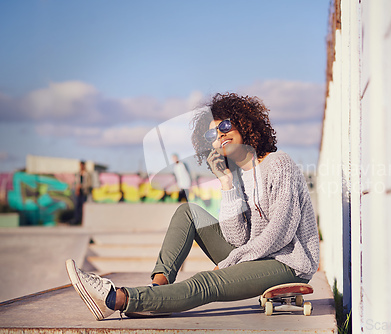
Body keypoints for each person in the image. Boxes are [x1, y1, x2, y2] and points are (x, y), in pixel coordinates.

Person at [65, 93, 320, 320]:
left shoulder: (278, 164)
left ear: (245, 124)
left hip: (288, 264)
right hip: (255, 256)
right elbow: (237, 237)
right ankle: (158, 289)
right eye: (212, 134)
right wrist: (226, 184)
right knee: (188, 212)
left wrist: (234, 259)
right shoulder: (239, 176)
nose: (220, 135)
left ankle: (115, 299)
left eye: (226, 125)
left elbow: (281, 231)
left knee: (207, 282)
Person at [71, 160, 92, 225]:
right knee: (77, 207)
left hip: (84, 192)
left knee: (83, 207)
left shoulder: (87, 174)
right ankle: (77, 220)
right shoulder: (78, 173)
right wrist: (76, 188)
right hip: (78, 192)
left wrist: (82, 186)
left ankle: (82, 221)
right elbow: (75, 182)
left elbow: (89, 184)